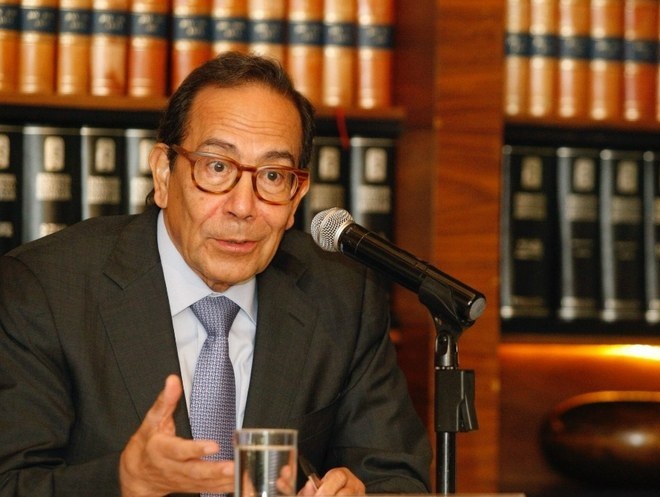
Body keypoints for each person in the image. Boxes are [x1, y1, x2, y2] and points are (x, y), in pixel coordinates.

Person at [0, 52, 432, 496]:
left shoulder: (341, 297)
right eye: (217, 167)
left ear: (297, 196)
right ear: (163, 174)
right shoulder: (45, 290)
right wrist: (124, 483)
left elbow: (396, 480)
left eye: (272, 176)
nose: (243, 207)